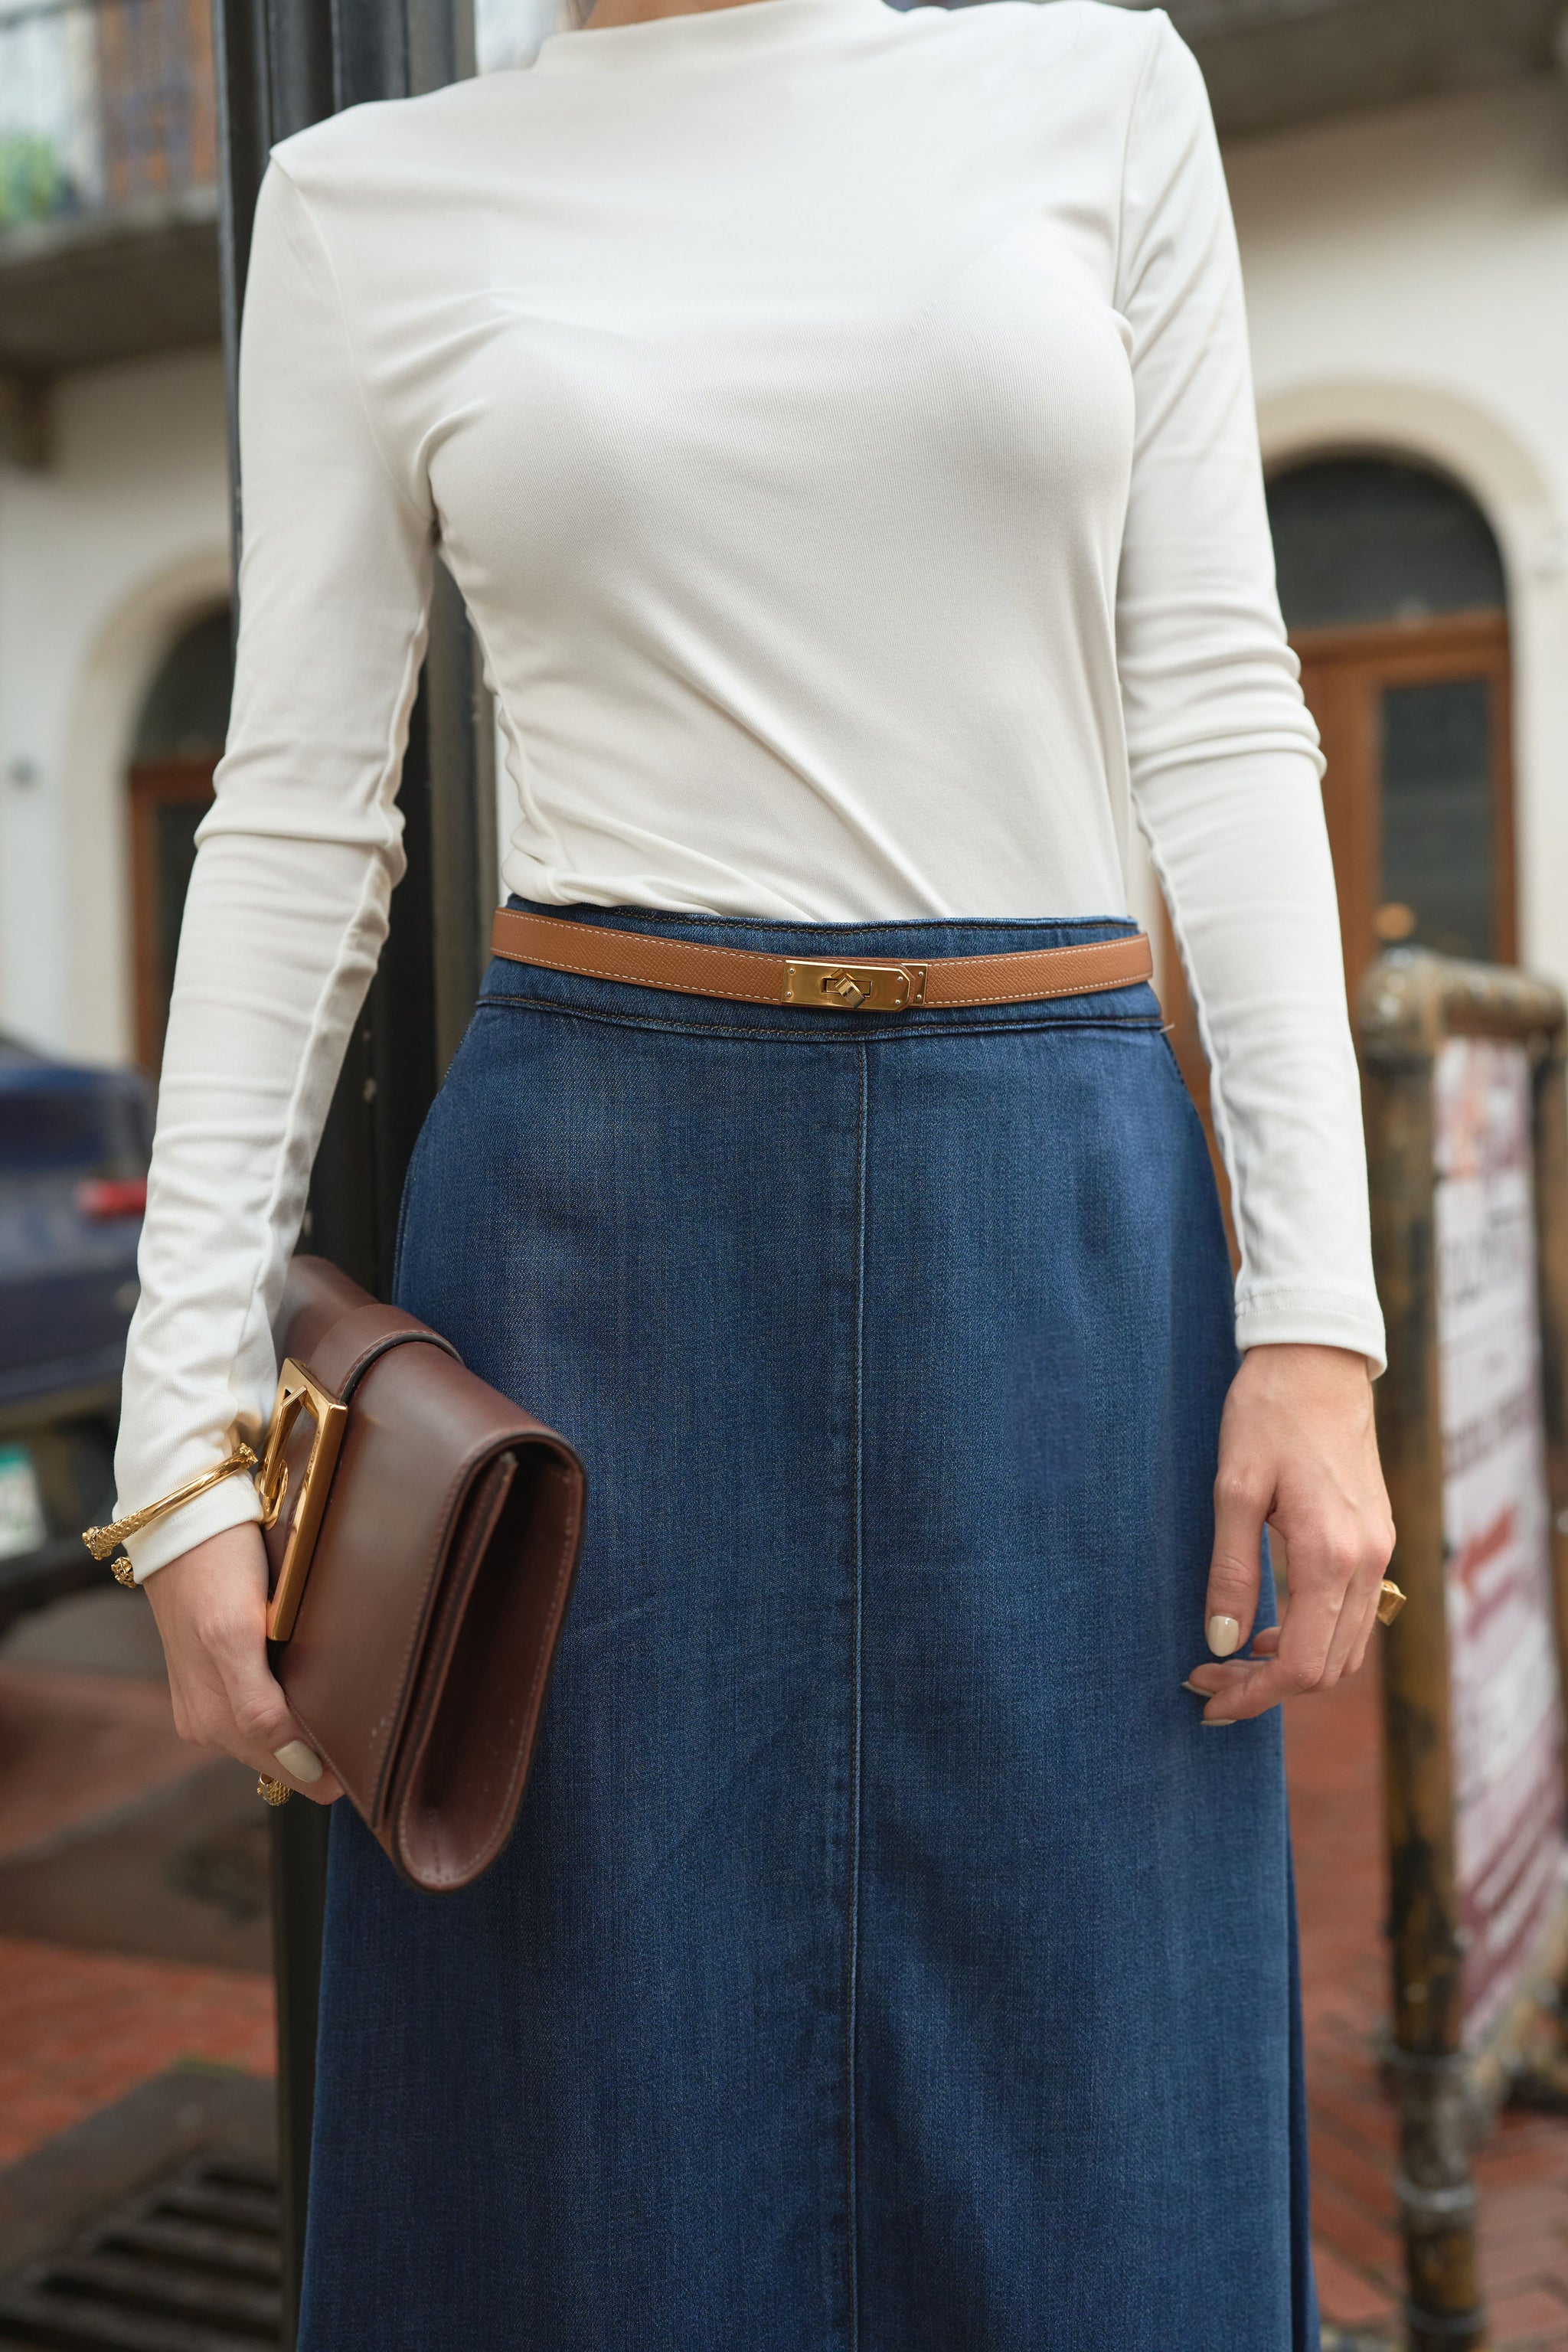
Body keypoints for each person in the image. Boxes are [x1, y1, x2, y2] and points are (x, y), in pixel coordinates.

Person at [113, 0, 1394, 2343]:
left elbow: (1215, 694)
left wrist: (1316, 1321)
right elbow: (297, 816)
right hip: (597, 1236)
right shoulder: (368, 203)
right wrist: (180, 1426)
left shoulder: (1100, 87)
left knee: (1092, 2126)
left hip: (1062, 1228)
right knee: (599, 2149)